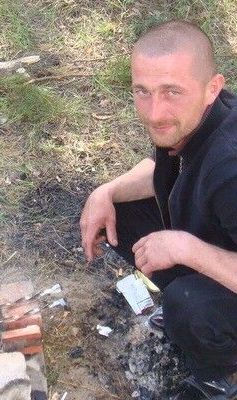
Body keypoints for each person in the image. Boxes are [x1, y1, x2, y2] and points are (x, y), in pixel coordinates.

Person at [80, 20, 237, 400]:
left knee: (189, 305)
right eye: (143, 92)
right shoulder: (196, 119)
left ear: (212, 88)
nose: (154, 113)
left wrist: (186, 248)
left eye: (171, 92)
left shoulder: (230, 169)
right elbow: (163, 168)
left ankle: (222, 375)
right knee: (117, 214)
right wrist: (106, 192)